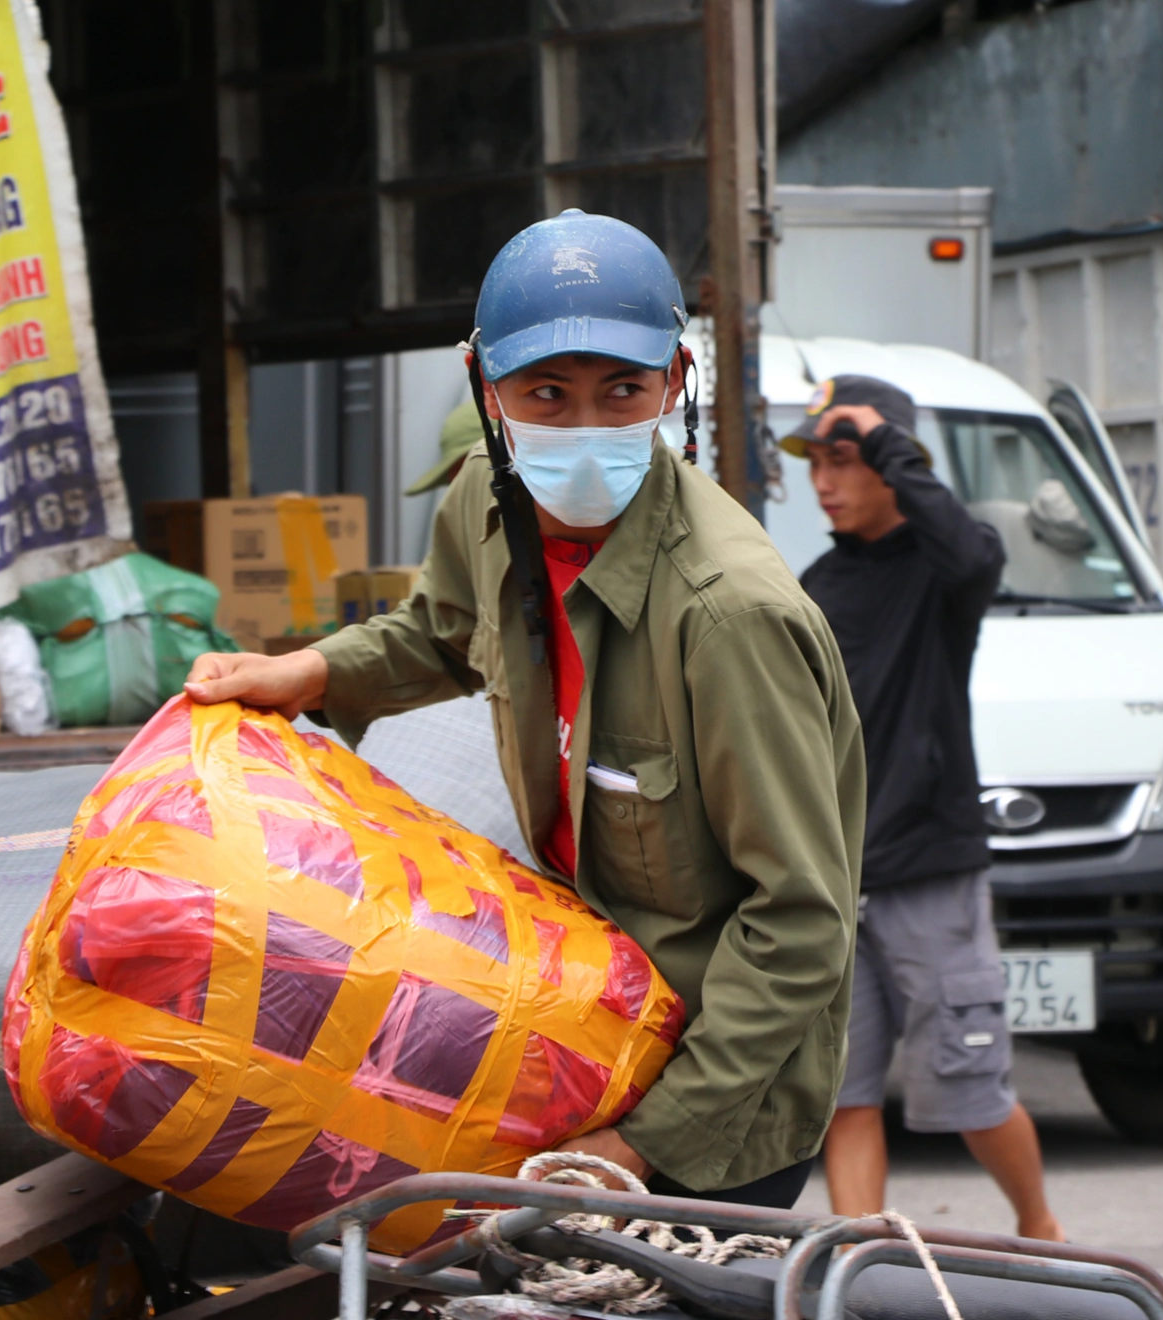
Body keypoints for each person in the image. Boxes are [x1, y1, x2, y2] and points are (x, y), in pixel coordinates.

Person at [185, 210, 865, 1208]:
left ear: (675, 383)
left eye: (620, 391)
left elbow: (801, 923)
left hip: (713, 1097)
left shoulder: (726, 617)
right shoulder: (481, 504)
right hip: (583, 1028)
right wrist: (310, 673)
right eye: (546, 394)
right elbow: (440, 632)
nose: (584, 428)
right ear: (484, 388)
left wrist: (643, 1144)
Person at [786, 375, 1065, 1241]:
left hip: (931, 874)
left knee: (971, 1089)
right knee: (847, 1094)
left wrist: (888, 443)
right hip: (839, 879)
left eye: (844, 461)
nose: (825, 482)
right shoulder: (820, 581)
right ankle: (856, 1266)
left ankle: (1041, 1226)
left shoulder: (944, 570)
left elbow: (978, 553)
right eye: (816, 465)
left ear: (895, 467)